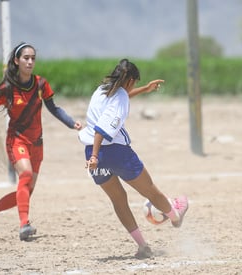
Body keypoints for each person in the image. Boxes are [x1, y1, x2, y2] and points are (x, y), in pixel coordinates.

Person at [0, 42, 82, 241]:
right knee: (26, 175)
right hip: (17, 140)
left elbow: (54, 108)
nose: (30, 62)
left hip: (37, 144)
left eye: (33, 58)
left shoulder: (40, 84)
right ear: (16, 61)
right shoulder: (7, 88)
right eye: (26, 58)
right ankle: (24, 225)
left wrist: (72, 123)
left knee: (25, 191)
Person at [78, 59, 188, 259]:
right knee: (151, 192)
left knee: (118, 200)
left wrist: (145, 89)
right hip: (116, 153)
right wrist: (96, 154)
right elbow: (102, 128)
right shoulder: (120, 98)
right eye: (136, 82)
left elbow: (122, 96)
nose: (134, 86)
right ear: (129, 80)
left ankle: (142, 246)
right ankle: (175, 216)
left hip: (91, 152)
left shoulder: (102, 90)